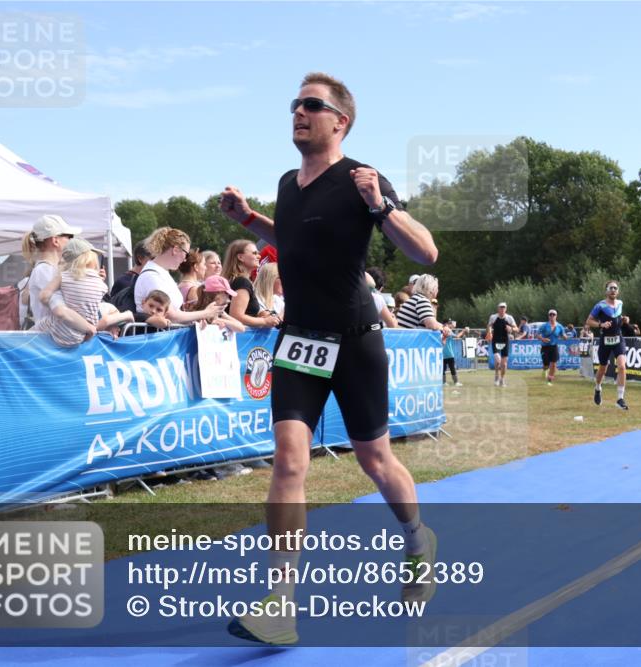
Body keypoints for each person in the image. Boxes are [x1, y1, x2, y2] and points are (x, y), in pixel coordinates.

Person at [219, 72, 439, 645]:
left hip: (356, 338)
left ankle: (419, 539)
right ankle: (281, 603)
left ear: (340, 120)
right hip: (300, 339)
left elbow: (426, 250)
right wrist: (248, 219)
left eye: (311, 105)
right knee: (289, 459)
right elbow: (293, 238)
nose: (298, 112)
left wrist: (381, 205)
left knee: (376, 461)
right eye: (294, 104)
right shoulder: (289, 184)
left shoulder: (361, 178)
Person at [39, 238, 135, 346]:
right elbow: (90, 303)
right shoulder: (101, 284)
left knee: (38, 325)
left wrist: (53, 296)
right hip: (83, 336)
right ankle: (123, 318)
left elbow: (44, 296)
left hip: (60, 334)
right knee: (105, 308)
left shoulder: (63, 276)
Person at [21, 214, 95, 335]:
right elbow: (62, 311)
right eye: (69, 236)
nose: (72, 240)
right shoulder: (44, 270)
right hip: (52, 343)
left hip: (57, 341)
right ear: (55, 240)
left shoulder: (50, 269)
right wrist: (90, 328)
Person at [133, 227, 224, 325]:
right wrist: (205, 313)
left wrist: (197, 321)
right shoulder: (152, 276)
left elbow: (176, 313)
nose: (185, 259)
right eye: (186, 254)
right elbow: (171, 316)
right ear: (176, 250)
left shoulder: (161, 273)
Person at [585, 280, 629, 410]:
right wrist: (601, 325)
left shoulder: (620, 303)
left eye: (615, 288)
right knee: (602, 369)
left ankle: (620, 399)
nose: (613, 290)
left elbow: (619, 319)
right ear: (606, 291)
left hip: (618, 339)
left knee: (622, 366)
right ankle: (598, 388)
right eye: (611, 288)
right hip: (605, 340)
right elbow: (589, 321)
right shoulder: (600, 305)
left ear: (618, 291)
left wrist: (625, 320)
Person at [223, 239, 280, 329]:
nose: (259, 256)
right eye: (254, 253)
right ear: (240, 257)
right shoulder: (242, 282)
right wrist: (264, 321)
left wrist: (260, 314)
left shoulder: (240, 280)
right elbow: (236, 316)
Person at [486, 302, 518, 387]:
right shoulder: (493, 317)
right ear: (498, 308)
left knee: (504, 364)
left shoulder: (509, 318)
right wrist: (489, 332)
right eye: (501, 307)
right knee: (497, 360)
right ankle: (496, 376)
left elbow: (516, 328)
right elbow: (489, 326)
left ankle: (502, 379)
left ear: (506, 309)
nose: (502, 309)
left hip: (505, 341)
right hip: (495, 340)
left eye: (504, 308)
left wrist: (511, 328)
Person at [538, 309, 565, 385]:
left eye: (554, 314)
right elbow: (537, 335)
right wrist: (543, 339)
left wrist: (565, 337)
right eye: (550, 314)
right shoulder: (544, 326)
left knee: (553, 364)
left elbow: (563, 335)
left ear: (556, 316)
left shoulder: (560, 326)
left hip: (554, 346)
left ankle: (549, 380)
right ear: (548, 316)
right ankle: (544, 370)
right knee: (546, 365)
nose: (552, 316)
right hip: (545, 347)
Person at [442, 319, 465, 386]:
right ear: (447, 324)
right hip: (449, 353)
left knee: (443, 369)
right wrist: (463, 331)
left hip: (442, 353)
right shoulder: (448, 330)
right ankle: (456, 382)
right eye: (450, 323)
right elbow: (457, 336)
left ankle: (444, 382)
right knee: (452, 368)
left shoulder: (441, 329)